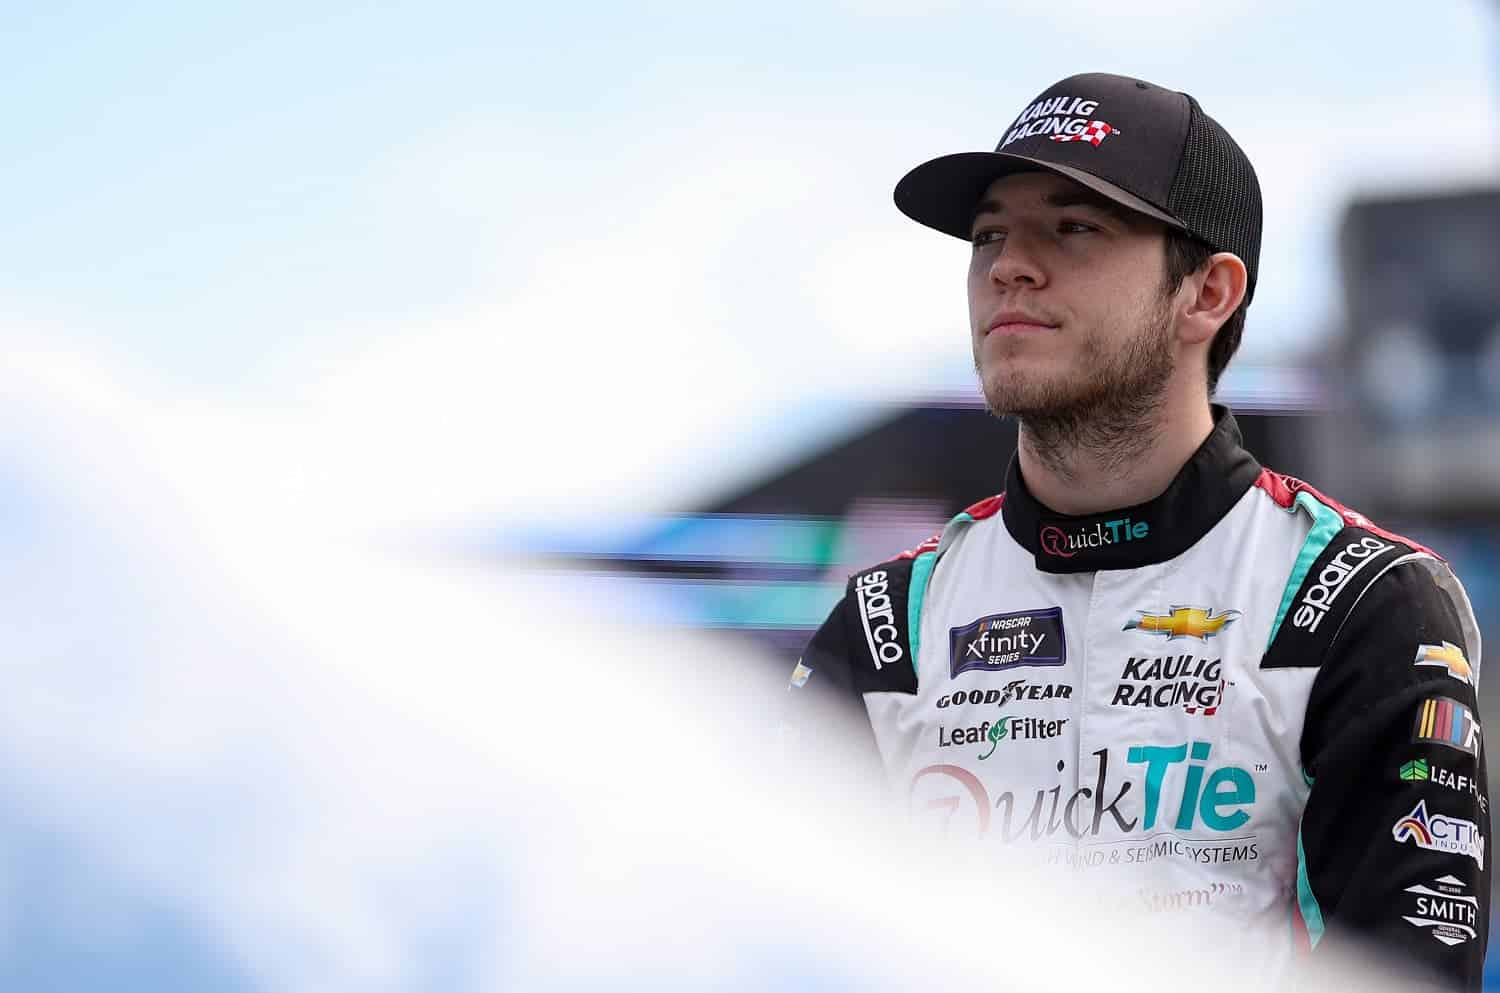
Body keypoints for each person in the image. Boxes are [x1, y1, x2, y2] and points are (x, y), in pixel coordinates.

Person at [786, 72, 1490, 990]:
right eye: (990, 233)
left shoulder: (1358, 602)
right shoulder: (887, 625)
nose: (1008, 265)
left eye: (1074, 227)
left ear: (1208, 292)